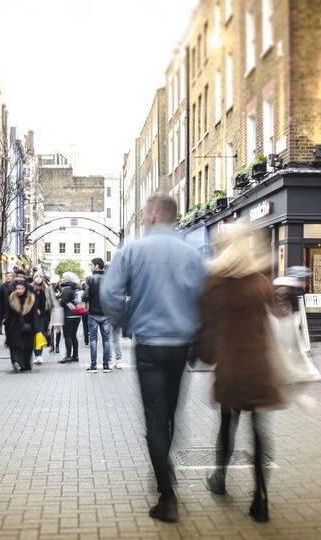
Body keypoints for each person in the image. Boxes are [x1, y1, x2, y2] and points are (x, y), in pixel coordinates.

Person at [100, 193, 205, 523]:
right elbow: (205, 300)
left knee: (154, 418)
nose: (143, 217)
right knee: (171, 414)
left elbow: (109, 294)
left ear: (156, 213)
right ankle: (165, 470)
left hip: (149, 345)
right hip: (180, 347)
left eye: (145, 211)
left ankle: (167, 495)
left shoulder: (133, 249)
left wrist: (127, 321)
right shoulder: (192, 255)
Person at [196, 225, 280, 523]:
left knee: (227, 425)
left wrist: (207, 356)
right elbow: (275, 314)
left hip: (231, 366)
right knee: (259, 431)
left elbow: (205, 330)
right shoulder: (260, 281)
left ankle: (219, 478)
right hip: (259, 366)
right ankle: (261, 497)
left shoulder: (214, 283)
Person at [83, 257, 112, 373]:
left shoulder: (90, 279)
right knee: (106, 340)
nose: (90, 267)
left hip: (93, 314)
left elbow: (85, 296)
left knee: (93, 340)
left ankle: (93, 366)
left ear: (96, 266)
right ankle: (106, 366)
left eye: (91, 265)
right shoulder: (109, 279)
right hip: (106, 314)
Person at [6, 280, 41, 372]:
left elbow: (34, 314)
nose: (19, 290)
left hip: (28, 326)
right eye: (17, 288)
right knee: (16, 345)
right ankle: (19, 363)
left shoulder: (31, 299)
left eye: (21, 288)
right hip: (15, 325)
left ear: (25, 289)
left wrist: (36, 327)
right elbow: (8, 313)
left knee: (28, 346)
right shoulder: (11, 298)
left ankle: (26, 364)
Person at [57, 272, 83, 364]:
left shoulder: (67, 289)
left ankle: (68, 356)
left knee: (67, 336)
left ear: (67, 279)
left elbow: (63, 302)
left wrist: (59, 298)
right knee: (73, 336)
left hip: (68, 315)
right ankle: (75, 355)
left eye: (63, 278)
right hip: (76, 315)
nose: (62, 279)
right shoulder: (75, 288)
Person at [32, 273, 51, 365]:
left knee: (40, 334)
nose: (38, 279)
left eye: (40, 277)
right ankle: (35, 354)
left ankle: (38, 355)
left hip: (43, 316)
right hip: (32, 316)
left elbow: (50, 302)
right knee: (34, 335)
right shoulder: (30, 288)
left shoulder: (46, 288)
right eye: (37, 277)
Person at [48, 280, 64, 355]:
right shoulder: (48, 290)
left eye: (55, 283)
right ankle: (52, 346)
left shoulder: (61, 290)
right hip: (51, 311)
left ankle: (57, 346)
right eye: (53, 283)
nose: (54, 284)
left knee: (58, 330)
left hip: (59, 311)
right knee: (51, 329)